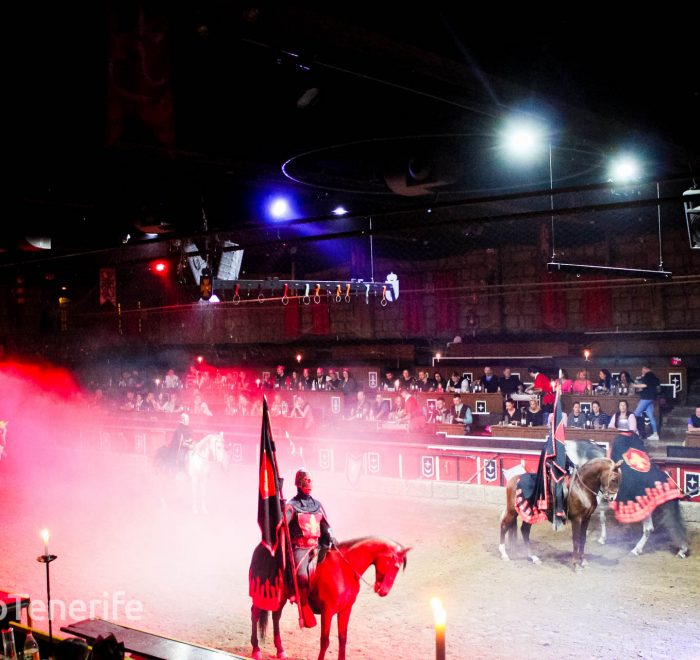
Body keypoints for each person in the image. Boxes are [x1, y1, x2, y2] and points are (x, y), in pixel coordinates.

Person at [285, 469, 335, 628]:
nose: (309, 483)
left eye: (310, 480)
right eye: (306, 480)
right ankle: (304, 605)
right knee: (302, 576)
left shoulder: (318, 505)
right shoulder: (291, 506)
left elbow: (326, 527)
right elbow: (283, 527)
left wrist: (331, 540)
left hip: (318, 547)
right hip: (300, 547)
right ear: (299, 482)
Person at [632, 365, 660, 441]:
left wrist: (635, 385)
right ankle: (655, 434)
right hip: (651, 398)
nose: (642, 370)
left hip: (646, 397)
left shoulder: (648, 375)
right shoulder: (653, 376)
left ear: (645, 369)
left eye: (643, 368)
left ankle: (637, 432)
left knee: (636, 414)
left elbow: (644, 385)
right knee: (650, 416)